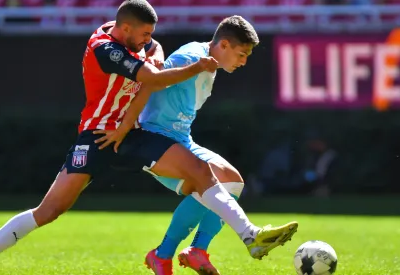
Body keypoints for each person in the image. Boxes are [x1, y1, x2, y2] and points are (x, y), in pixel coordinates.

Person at [0, 1, 218, 274]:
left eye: (150, 34)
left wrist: (155, 50)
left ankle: (196, 247)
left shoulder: (130, 37)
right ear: (126, 28)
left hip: (130, 133)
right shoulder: (105, 48)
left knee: (198, 173)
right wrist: (197, 67)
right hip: (98, 136)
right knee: (48, 211)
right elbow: (154, 78)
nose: (148, 40)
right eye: (145, 34)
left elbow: (155, 49)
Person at [94, 15, 299, 275]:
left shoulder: (207, 63)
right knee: (203, 179)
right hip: (152, 139)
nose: (244, 62)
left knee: (232, 181)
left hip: (180, 140)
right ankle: (250, 236)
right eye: (242, 54)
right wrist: (124, 128)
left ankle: (193, 252)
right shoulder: (190, 58)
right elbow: (149, 83)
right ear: (223, 45)